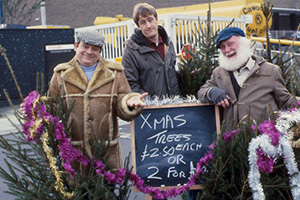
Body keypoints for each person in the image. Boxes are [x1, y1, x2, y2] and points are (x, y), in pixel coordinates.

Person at [47, 29, 148, 173]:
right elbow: (53, 107)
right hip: (74, 155)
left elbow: (122, 103)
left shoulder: (115, 73)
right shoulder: (60, 74)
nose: (89, 52)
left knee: (108, 193)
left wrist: (128, 103)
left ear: (100, 51)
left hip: (107, 155)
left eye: (95, 49)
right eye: (85, 47)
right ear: (76, 46)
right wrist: (35, 109)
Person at [198, 27, 297, 130]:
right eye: (222, 47)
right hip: (231, 141)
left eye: (230, 44)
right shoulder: (219, 73)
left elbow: (285, 101)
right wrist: (211, 92)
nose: (227, 50)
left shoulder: (271, 71)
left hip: (264, 140)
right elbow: (202, 92)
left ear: (243, 43)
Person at [122, 2, 181, 99]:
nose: (148, 25)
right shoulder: (131, 50)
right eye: (143, 22)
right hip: (149, 109)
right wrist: (148, 102)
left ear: (157, 19)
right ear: (138, 26)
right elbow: (129, 83)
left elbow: (172, 74)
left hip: (172, 107)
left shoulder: (168, 44)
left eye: (150, 20)